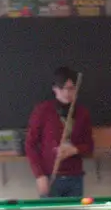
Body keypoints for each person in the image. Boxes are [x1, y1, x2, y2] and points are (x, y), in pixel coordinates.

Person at [26, 66, 94, 198]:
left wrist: (74, 150)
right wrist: (39, 175)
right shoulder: (43, 111)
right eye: (63, 88)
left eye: (71, 88)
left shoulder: (82, 113)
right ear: (55, 89)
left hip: (75, 177)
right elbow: (30, 145)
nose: (67, 93)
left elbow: (90, 146)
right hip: (50, 176)